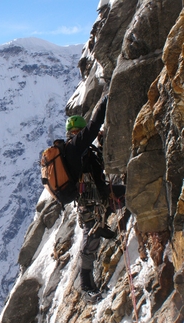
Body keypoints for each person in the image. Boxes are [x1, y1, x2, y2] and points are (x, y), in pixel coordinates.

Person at [63, 95, 126, 302]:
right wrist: (104, 103)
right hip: (92, 202)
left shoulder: (80, 151)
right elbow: (93, 126)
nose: (78, 135)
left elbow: (96, 164)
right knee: (91, 240)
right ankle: (86, 287)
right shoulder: (74, 148)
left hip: (98, 198)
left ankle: (88, 286)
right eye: (78, 133)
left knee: (93, 236)